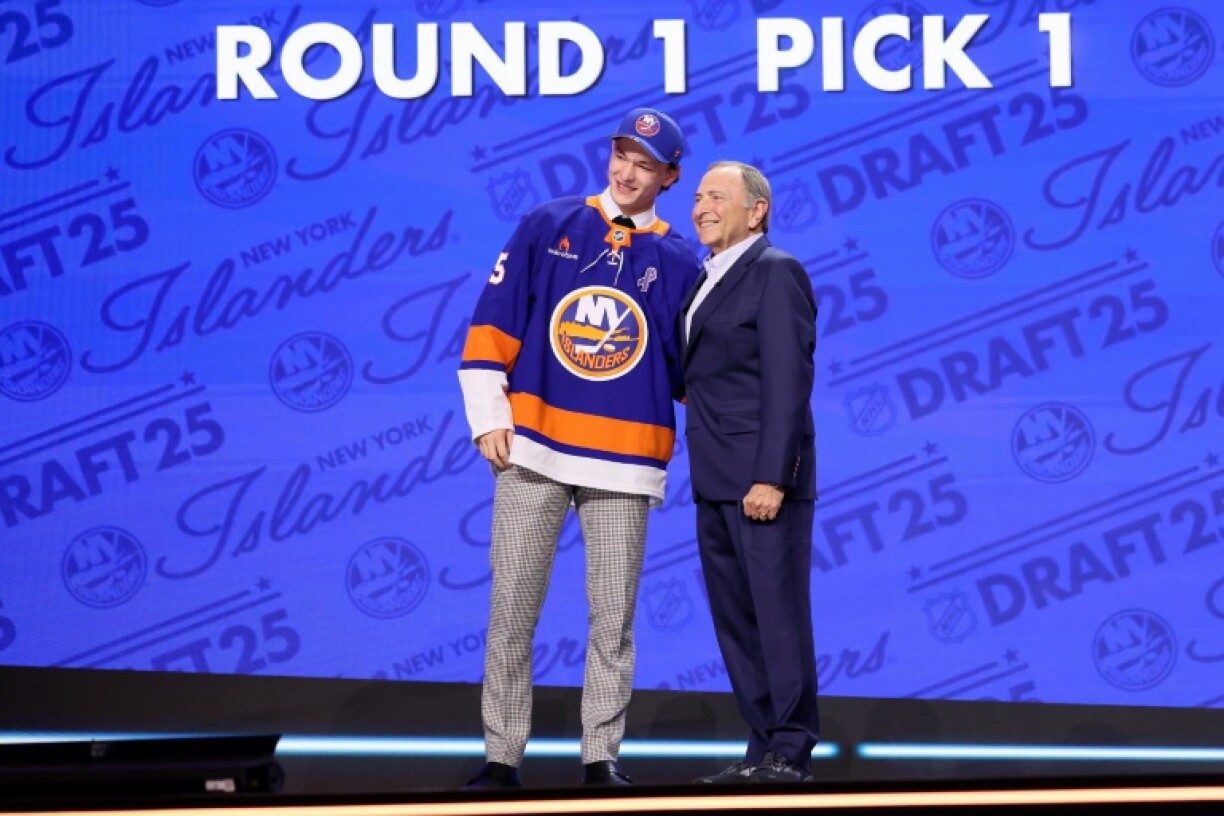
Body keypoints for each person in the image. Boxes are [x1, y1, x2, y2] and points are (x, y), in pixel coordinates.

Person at [457, 108, 700, 788]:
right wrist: (488, 416)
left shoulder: (682, 262)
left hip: (625, 463)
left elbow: (693, 374)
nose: (627, 172)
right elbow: (492, 325)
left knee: (613, 619)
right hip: (533, 450)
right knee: (511, 611)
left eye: (645, 165)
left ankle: (601, 757)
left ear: (669, 178)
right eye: (622, 156)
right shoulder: (549, 224)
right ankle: (501, 758)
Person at [680, 161, 820, 784]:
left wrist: (773, 477)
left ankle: (791, 748)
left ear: (756, 210)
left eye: (717, 196)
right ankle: (762, 747)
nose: (701, 207)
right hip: (712, 478)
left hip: (762, 483)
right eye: (697, 196)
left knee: (776, 615)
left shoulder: (775, 272)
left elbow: (788, 383)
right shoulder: (704, 278)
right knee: (736, 621)